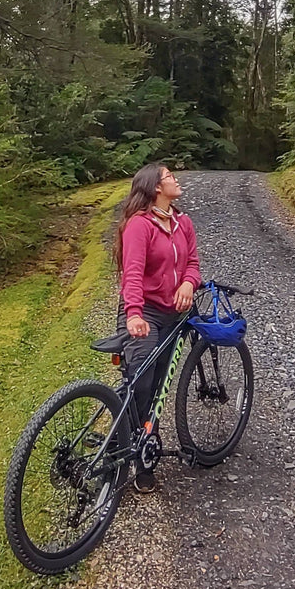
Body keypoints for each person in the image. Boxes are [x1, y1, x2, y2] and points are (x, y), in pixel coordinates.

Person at [113, 162, 201, 493]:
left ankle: (144, 454)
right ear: (155, 188)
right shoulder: (139, 225)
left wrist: (189, 285)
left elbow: (192, 263)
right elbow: (132, 273)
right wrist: (134, 313)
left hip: (173, 315)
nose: (175, 179)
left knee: (160, 386)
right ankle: (124, 452)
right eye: (168, 177)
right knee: (143, 381)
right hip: (144, 312)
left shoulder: (183, 223)